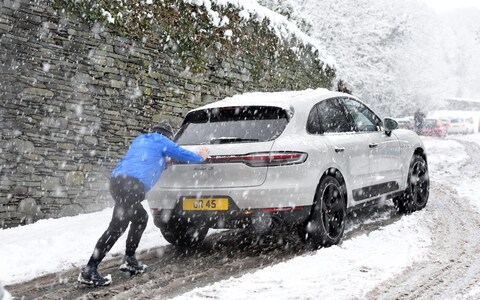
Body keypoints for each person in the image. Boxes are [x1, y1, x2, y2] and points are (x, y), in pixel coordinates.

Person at [78, 120, 209, 286]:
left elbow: (146, 160)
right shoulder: (163, 141)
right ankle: (92, 269)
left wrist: (164, 162)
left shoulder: (141, 139)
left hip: (117, 182)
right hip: (131, 186)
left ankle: (127, 260)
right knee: (120, 227)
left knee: (135, 220)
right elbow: (183, 154)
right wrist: (201, 156)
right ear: (168, 135)